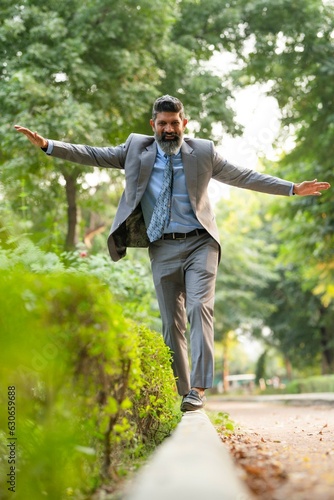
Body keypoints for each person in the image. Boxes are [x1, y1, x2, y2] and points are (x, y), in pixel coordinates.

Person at [14, 95, 330, 412]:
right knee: (171, 323)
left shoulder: (203, 152)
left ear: (185, 123)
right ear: (153, 125)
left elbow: (242, 175)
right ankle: (184, 391)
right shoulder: (135, 149)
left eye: (174, 123)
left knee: (198, 308)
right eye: (162, 124)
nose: (168, 129)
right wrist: (48, 146)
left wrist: (291, 187)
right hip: (161, 246)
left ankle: (199, 388)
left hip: (200, 243)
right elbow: (94, 155)